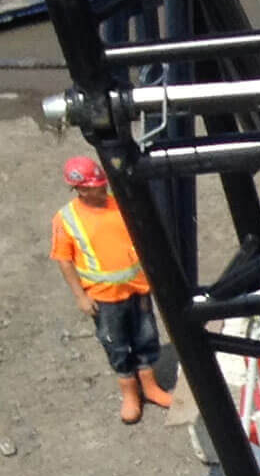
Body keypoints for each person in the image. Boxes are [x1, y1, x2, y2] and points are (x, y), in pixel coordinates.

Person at [51, 154, 171, 424]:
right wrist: (80, 296)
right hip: (104, 298)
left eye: (102, 183)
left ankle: (150, 387)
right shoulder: (67, 219)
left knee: (146, 337)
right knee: (117, 345)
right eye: (95, 186)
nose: (102, 188)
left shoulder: (120, 206)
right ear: (80, 188)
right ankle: (130, 393)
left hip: (137, 288)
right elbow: (64, 260)